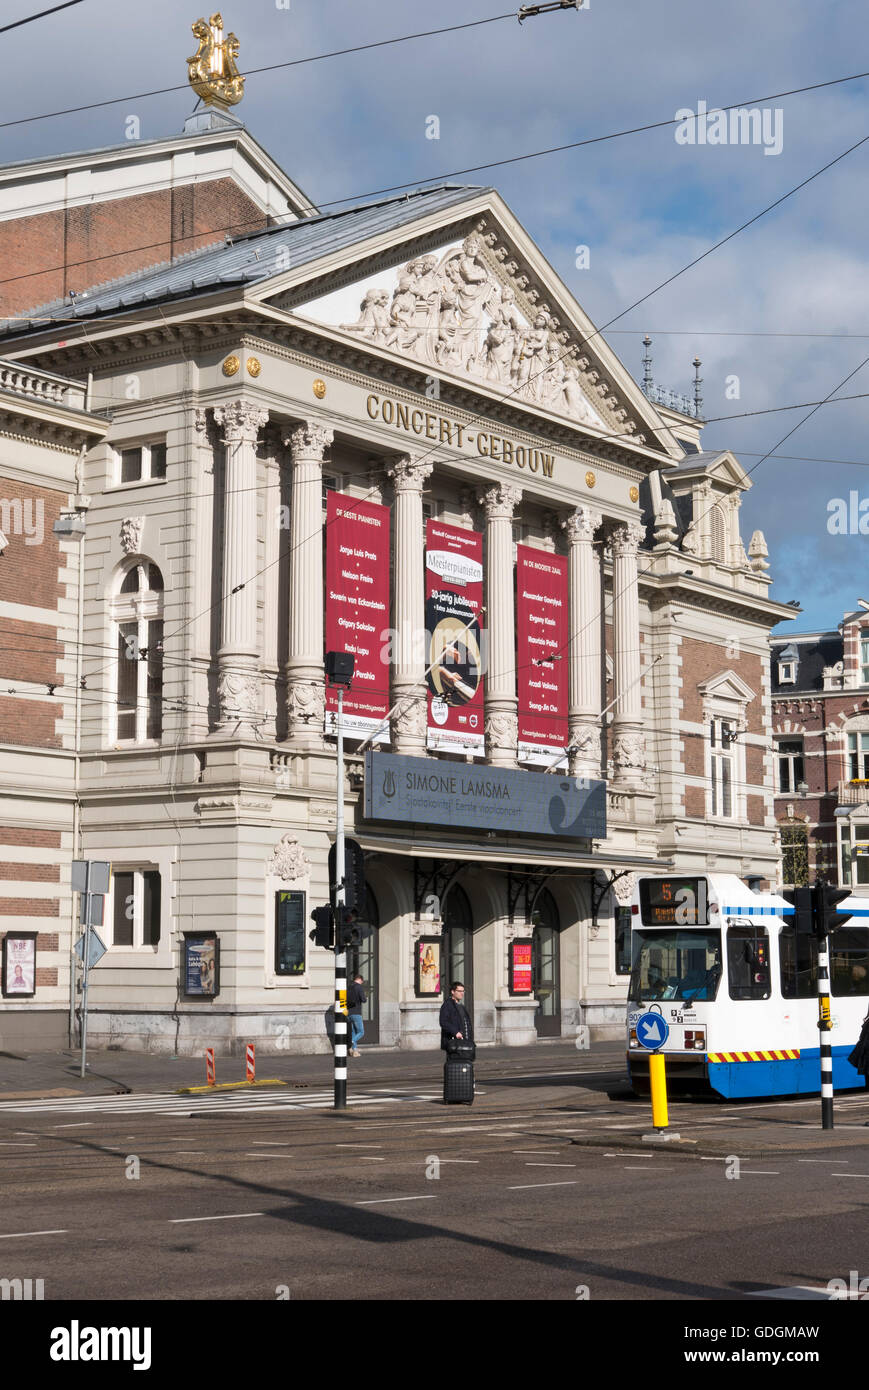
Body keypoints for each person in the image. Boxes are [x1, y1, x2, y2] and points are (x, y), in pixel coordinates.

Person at [439, 981, 473, 1052]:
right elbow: (443, 1022)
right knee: (454, 1062)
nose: (462, 993)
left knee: (464, 1062)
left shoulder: (461, 1006)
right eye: (459, 991)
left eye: (463, 991)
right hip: (453, 1043)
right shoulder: (447, 1005)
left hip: (464, 1041)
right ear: (453, 992)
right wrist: (455, 1032)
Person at [346, 973, 366, 1058]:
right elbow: (363, 999)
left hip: (348, 1013)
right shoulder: (359, 987)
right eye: (362, 982)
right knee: (361, 1032)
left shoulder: (349, 987)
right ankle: (351, 1042)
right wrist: (365, 998)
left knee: (353, 1032)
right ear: (360, 980)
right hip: (356, 1013)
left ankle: (353, 1051)